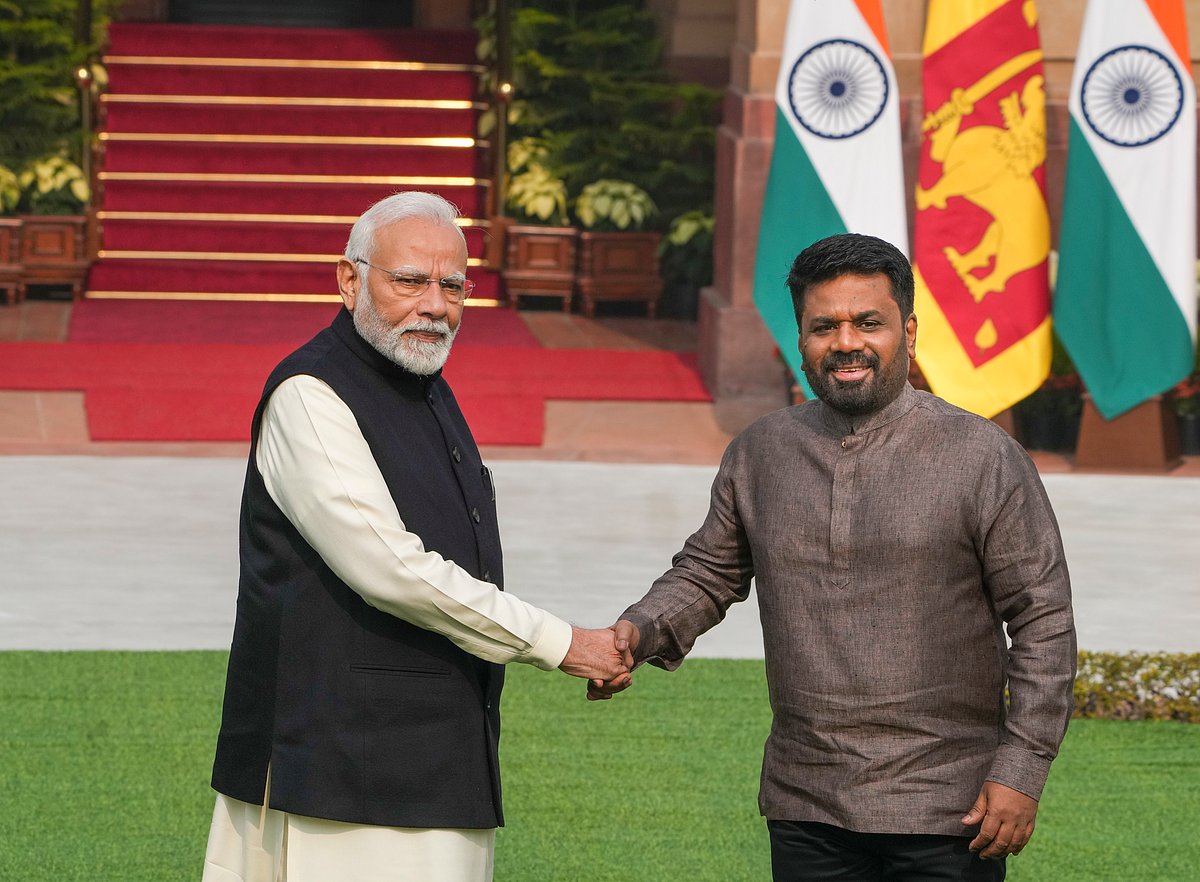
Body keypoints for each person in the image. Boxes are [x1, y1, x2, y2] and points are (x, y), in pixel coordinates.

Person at [592, 233, 1076, 881]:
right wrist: (638, 631)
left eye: (867, 323)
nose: (846, 342)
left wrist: (1021, 769)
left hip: (947, 805)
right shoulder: (761, 452)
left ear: (907, 331)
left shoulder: (982, 456)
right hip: (806, 799)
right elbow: (708, 571)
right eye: (824, 326)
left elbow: (1043, 619)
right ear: (800, 340)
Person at [202, 191, 629, 882]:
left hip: (431, 757)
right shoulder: (309, 395)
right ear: (349, 280)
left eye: (452, 285)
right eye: (409, 281)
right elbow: (390, 568)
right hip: (340, 772)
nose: (433, 304)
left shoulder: (422, 377)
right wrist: (561, 643)